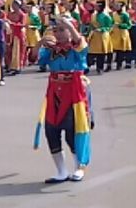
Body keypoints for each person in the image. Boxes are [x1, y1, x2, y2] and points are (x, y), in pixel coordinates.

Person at [34, 17, 93, 183]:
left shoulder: (76, 48)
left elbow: (81, 44)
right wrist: (39, 43)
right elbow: (34, 59)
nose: (58, 33)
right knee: (51, 131)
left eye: (62, 29)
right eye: (56, 30)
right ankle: (61, 171)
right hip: (54, 93)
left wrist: (68, 24)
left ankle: (79, 167)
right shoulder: (51, 50)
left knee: (72, 132)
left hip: (73, 94)